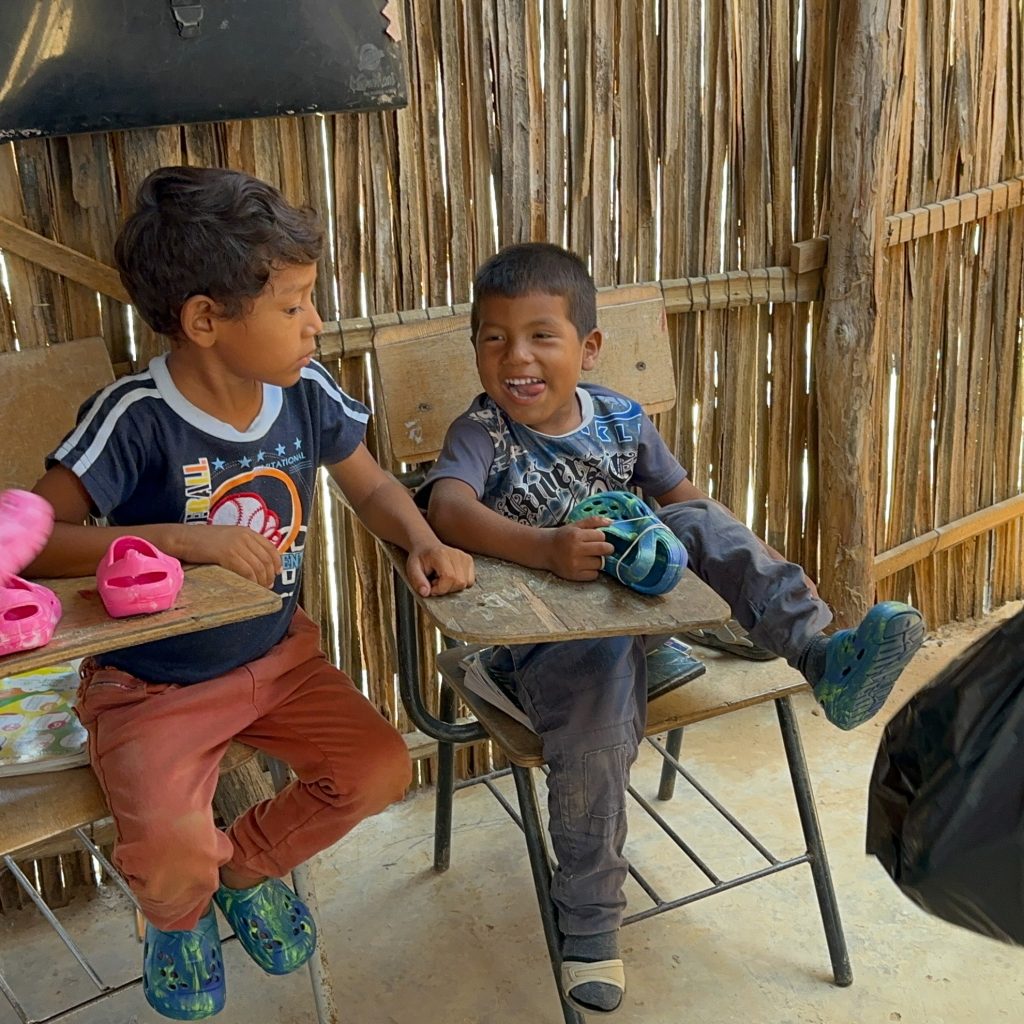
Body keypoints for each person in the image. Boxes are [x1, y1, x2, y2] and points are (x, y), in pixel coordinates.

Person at [417, 241, 925, 1015]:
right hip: (547, 651)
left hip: (644, 624)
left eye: (541, 336)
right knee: (597, 724)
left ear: (588, 347)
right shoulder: (483, 431)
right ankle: (591, 922)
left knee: (697, 520)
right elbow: (446, 508)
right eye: (494, 338)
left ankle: (823, 657)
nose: (516, 357)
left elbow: (685, 502)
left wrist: (738, 559)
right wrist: (546, 548)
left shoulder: (621, 419)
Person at [26, 166, 475, 1021]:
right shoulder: (135, 417)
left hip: (278, 660)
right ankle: (178, 917)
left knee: (378, 769)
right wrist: (178, 538)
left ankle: (241, 870)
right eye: (293, 305)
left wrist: (421, 537)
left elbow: (371, 485)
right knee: (168, 855)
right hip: (152, 685)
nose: (316, 322)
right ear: (205, 320)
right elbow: (33, 540)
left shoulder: (305, 393)